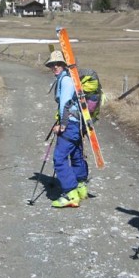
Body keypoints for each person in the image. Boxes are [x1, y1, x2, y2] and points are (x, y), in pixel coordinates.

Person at [44, 50, 89, 208]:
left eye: (58, 64)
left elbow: (65, 104)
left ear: (64, 65)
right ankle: (81, 187)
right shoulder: (70, 78)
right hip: (77, 124)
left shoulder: (65, 81)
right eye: (52, 64)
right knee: (76, 155)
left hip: (69, 124)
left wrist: (61, 125)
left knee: (59, 158)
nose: (54, 67)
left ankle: (70, 194)